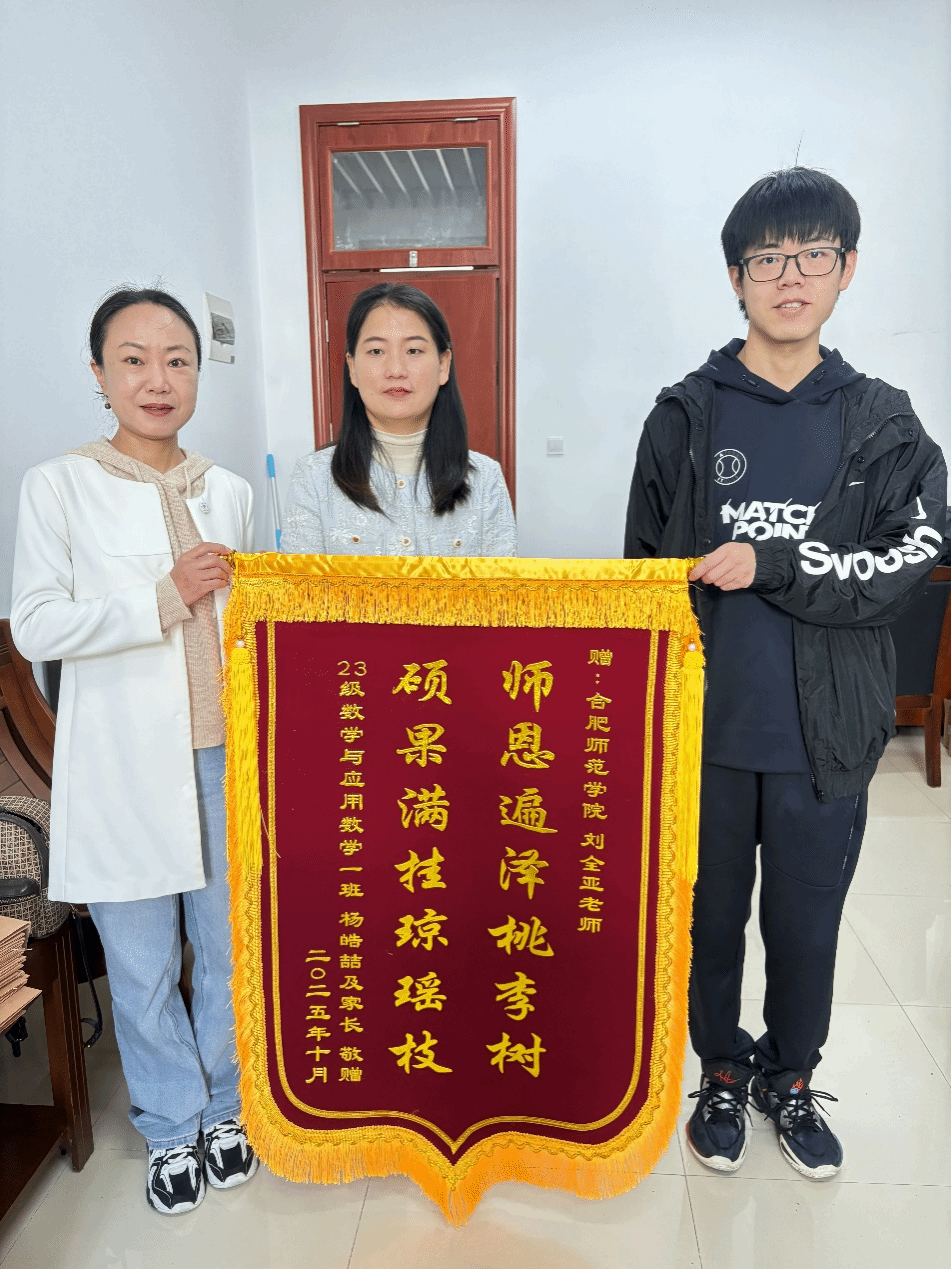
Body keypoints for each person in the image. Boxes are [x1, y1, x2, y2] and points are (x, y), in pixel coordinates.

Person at [624, 168, 946, 1179]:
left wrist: (775, 562)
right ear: (736, 277)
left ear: (846, 269)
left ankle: (790, 1076)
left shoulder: (883, 422)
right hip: (706, 734)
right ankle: (721, 1070)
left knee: (806, 926)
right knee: (708, 922)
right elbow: (643, 579)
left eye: (813, 253)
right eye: (767, 258)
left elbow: (905, 564)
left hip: (826, 737)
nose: (790, 275)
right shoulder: (684, 415)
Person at [11, 289, 258, 1215]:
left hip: (225, 757)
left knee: (227, 946)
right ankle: (170, 1120)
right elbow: (37, 622)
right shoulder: (59, 485)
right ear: (99, 372)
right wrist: (161, 595)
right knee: (143, 955)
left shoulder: (228, 489)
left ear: (198, 372)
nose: (158, 379)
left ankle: (228, 1107)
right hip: (123, 765)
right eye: (134, 359)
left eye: (177, 359)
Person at [281, 283, 516, 556]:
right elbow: (298, 583)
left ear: (443, 365)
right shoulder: (314, 476)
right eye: (376, 351)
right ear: (352, 368)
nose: (395, 370)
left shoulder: (485, 479)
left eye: (413, 351)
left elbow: (501, 583)